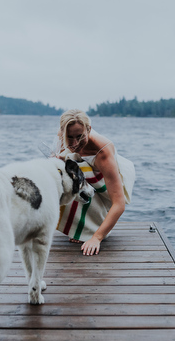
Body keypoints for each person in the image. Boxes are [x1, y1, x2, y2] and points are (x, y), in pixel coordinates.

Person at [55, 109, 135, 256]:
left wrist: (96, 238)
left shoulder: (103, 152)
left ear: (89, 129)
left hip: (113, 173)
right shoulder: (64, 134)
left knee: (80, 174)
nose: (74, 143)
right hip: (86, 169)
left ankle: (95, 227)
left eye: (80, 137)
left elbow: (119, 203)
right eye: (69, 138)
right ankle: (79, 226)